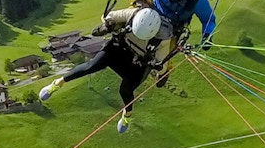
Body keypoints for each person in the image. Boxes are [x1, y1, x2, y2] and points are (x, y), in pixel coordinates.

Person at [39, 7, 172, 133]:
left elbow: (162, 61)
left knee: (125, 89)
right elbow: (110, 16)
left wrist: (160, 71)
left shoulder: (163, 39)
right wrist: (108, 24)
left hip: (137, 62)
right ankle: (58, 83)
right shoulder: (133, 14)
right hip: (119, 48)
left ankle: (127, 114)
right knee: (91, 66)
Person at [109, 0, 216, 88]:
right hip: (155, 13)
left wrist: (207, 35)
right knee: (134, 14)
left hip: (174, 26)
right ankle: (111, 23)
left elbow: (208, 20)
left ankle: (164, 71)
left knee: (164, 54)